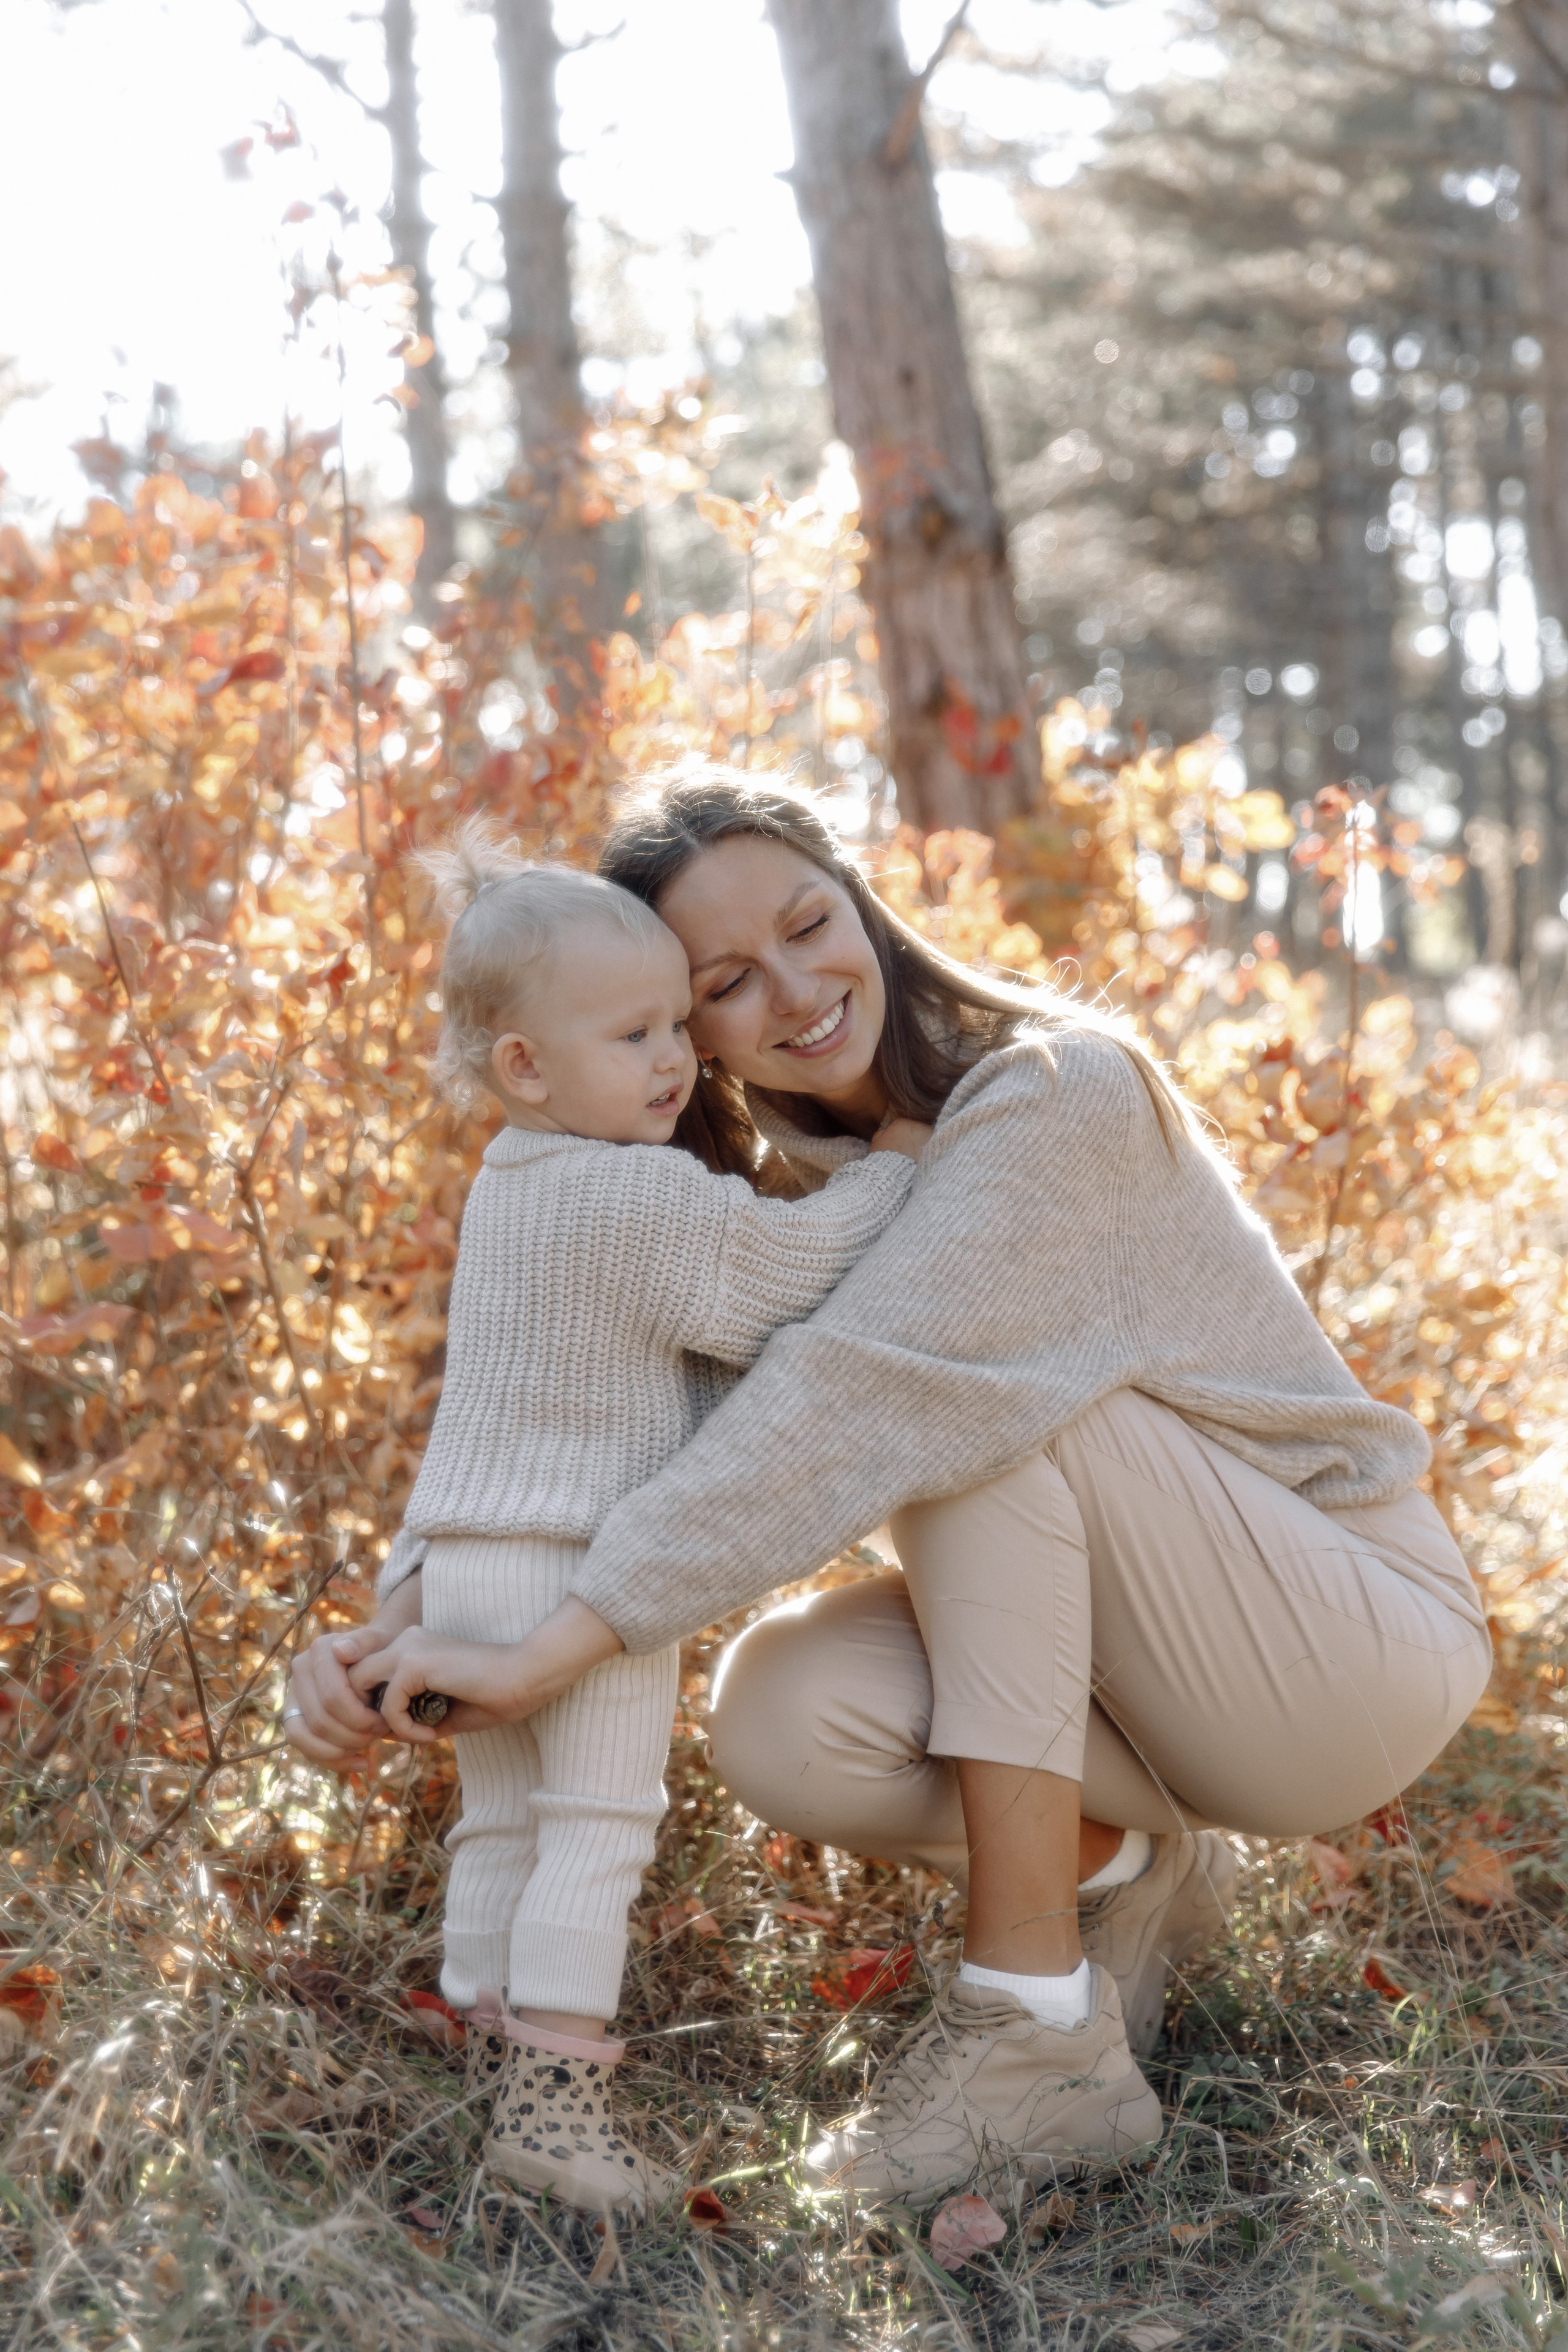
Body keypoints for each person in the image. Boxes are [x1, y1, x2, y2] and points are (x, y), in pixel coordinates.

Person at [290, 769, 1492, 2213]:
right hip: (1163, 1686)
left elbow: (865, 1398)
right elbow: (583, 1425)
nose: (796, 990)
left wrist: (548, 1652)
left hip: (1349, 1644)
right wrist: (406, 1619)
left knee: (959, 1415)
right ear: (680, 1023)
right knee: (779, 1708)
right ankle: (1123, 1874)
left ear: (862, 904)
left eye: (809, 924)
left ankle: (1027, 2031)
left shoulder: (1053, 1093)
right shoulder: (781, 1197)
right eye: (726, 982)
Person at [282, 819, 926, 2215]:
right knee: (595, 1823)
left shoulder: (506, 1191)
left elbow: (475, 1410)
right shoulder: (630, 1197)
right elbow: (780, 1275)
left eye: (676, 1026)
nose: (675, 1060)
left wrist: (405, 1590)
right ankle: (557, 2115)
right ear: (525, 1066)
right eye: (634, 1036)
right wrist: (892, 1167)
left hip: (467, 1564)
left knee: (501, 1823)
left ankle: (478, 2047)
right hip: (582, 1570)